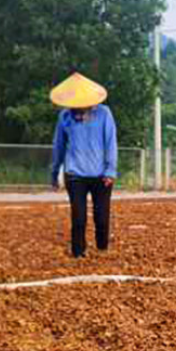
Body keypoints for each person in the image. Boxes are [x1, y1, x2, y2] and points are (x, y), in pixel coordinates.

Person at [49, 72, 118, 258]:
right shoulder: (65, 117)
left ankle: (102, 248)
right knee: (78, 217)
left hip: (101, 175)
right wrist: (54, 173)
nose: (77, 109)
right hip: (75, 175)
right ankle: (78, 253)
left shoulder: (104, 114)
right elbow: (59, 146)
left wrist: (110, 171)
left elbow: (110, 143)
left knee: (101, 217)